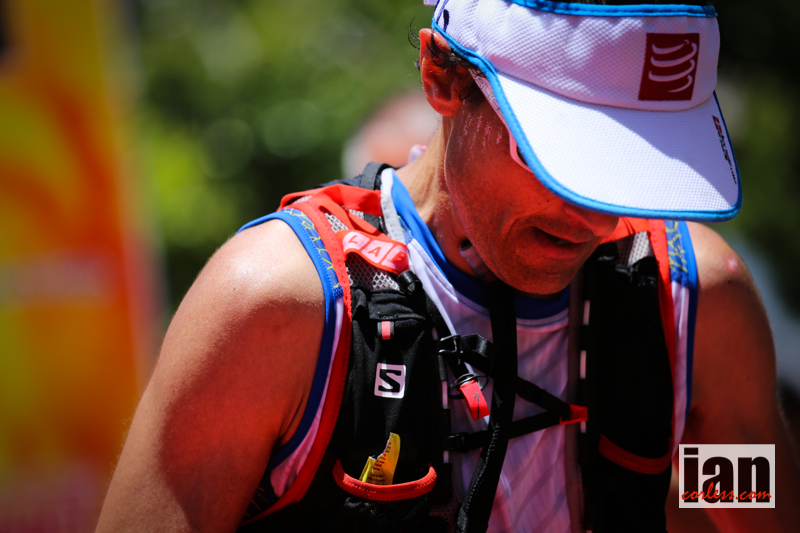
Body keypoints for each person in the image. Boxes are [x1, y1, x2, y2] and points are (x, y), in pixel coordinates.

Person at [97, 1, 800, 531]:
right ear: (442, 77)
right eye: (561, 161)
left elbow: (742, 508)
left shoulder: (691, 305)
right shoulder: (282, 309)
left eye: (637, 169)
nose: (595, 218)